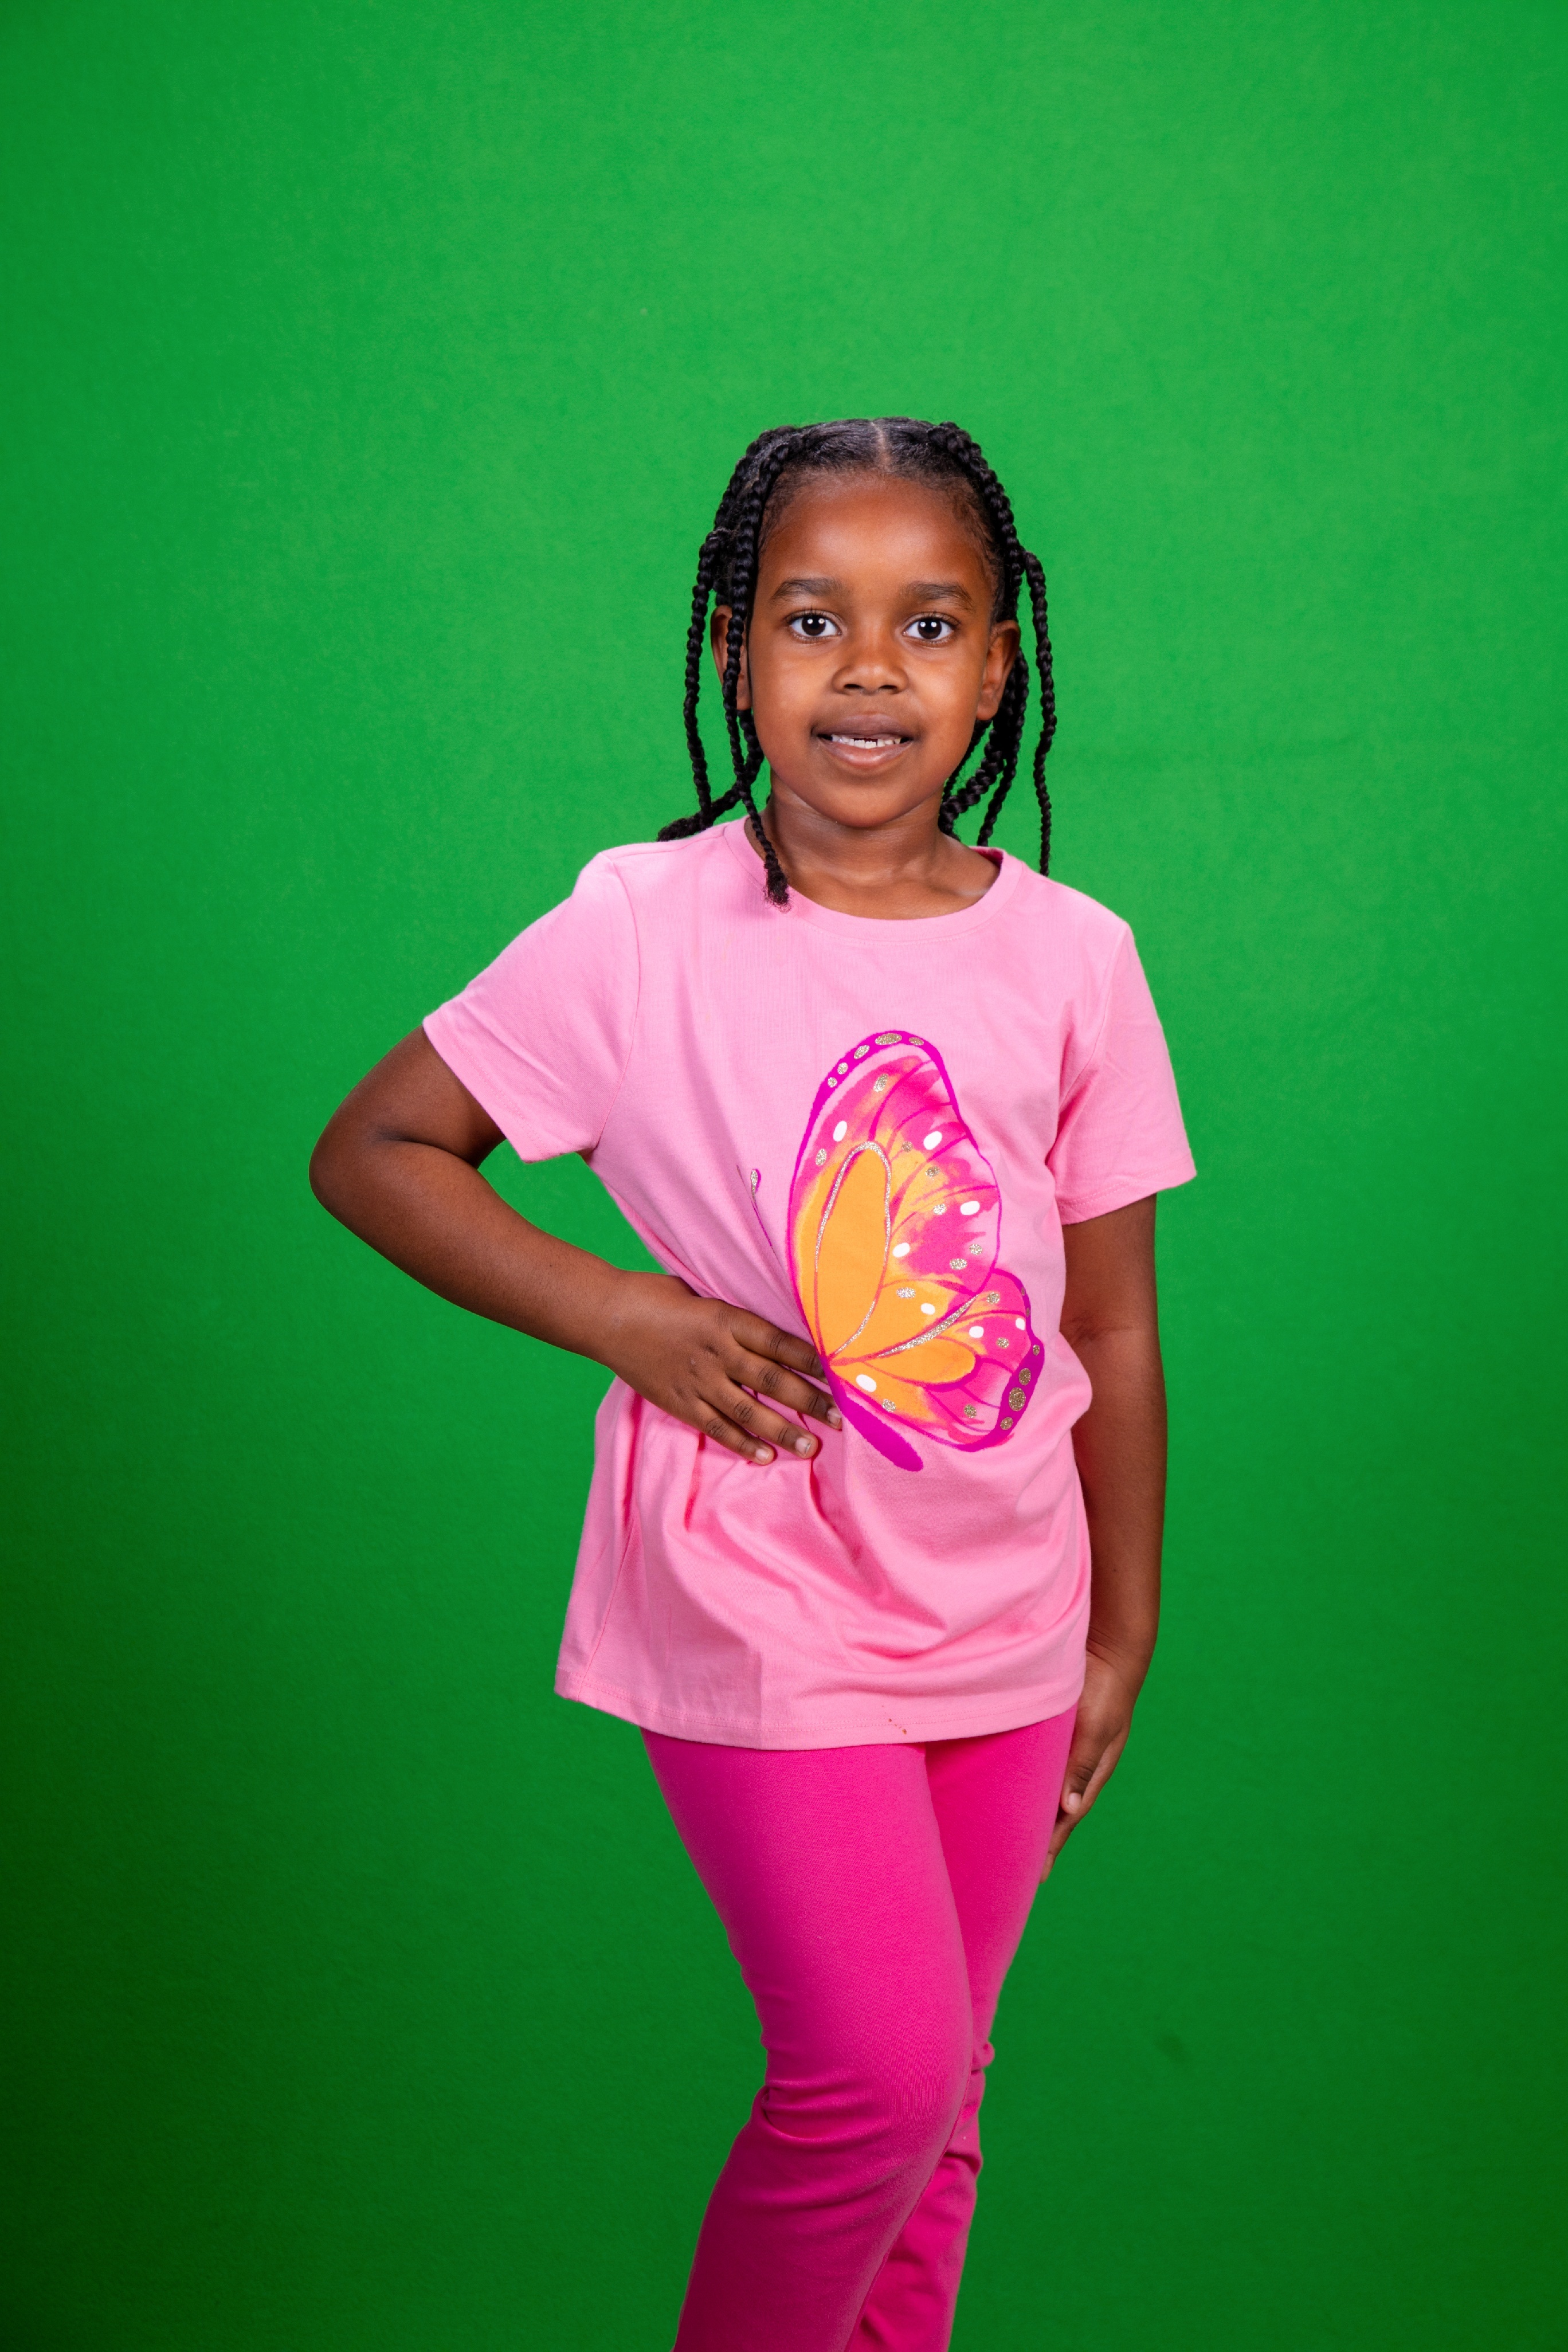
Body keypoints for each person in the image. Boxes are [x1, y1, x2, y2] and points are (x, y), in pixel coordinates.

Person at [310, 417, 1195, 2350]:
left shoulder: (1078, 960)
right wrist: (624, 1316)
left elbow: (1111, 1329)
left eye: (928, 624)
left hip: (1010, 1604)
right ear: (735, 651)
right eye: (812, 619)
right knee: (872, 2077)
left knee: (942, 2101)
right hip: (763, 1587)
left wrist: (1124, 1624)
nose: (869, 668)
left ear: (998, 666)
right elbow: (374, 1150)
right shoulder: (638, 927)